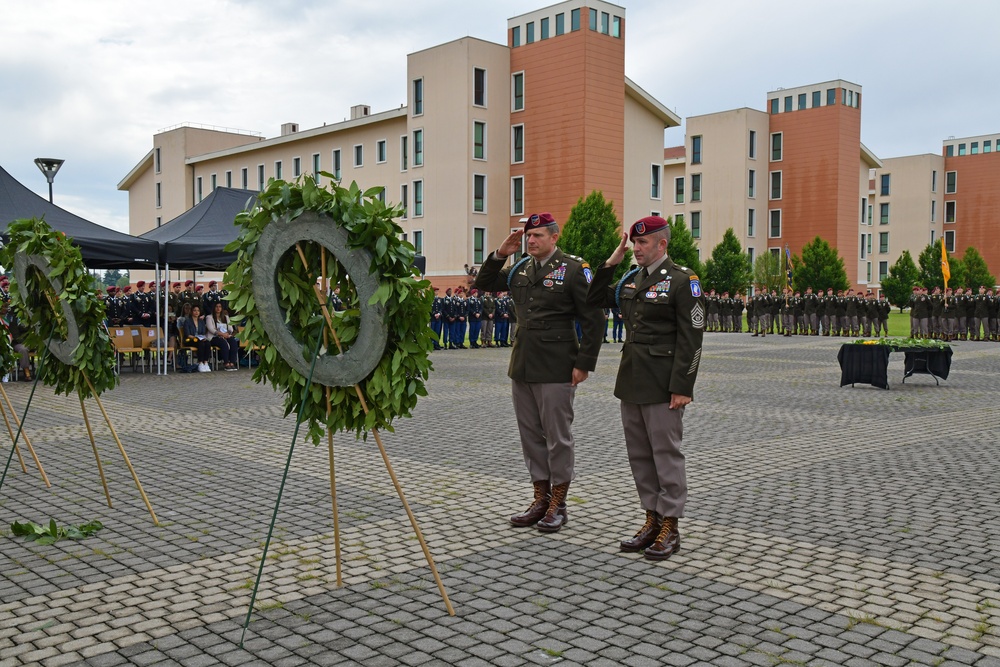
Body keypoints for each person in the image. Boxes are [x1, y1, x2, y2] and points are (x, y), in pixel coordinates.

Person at [474, 212, 604, 533]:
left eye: (538, 236)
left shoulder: (575, 269)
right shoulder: (520, 268)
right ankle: (540, 498)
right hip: (524, 363)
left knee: (557, 436)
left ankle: (558, 503)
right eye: (528, 236)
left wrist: (584, 363)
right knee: (531, 436)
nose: (531, 240)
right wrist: (502, 253)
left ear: (554, 237)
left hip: (558, 364)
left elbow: (594, 320)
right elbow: (484, 283)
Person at [586, 216, 704, 560]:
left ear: (662, 245)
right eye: (634, 244)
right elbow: (594, 299)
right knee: (640, 456)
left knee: (665, 455)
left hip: (665, 382)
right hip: (632, 380)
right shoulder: (631, 278)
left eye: (643, 243)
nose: (636, 249)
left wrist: (683, 386)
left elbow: (692, 338)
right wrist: (611, 262)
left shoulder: (683, 280)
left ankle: (670, 524)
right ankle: (651, 518)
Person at [206, 302, 239, 371]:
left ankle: (232, 362)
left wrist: (226, 334)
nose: (218, 308)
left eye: (220, 307)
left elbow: (230, 328)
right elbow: (211, 329)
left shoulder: (226, 317)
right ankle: (226, 363)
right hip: (214, 337)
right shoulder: (209, 317)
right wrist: (221, 334)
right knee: (223, 343)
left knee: (233, 342)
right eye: (216, 307)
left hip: (225, 336)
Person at [181, 305, 213, 372]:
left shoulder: (201, 322)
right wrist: (196, 338)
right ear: (192, 312)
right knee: (200, 343)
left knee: (207, 343)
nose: (196, 312)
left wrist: (202, 338)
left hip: (200, 338)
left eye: (198, 311)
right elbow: (187, 334)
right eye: (195, 310)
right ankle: (200, 362)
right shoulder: (187, 321)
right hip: (190, 339)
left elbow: (203, 333)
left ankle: (206, 362)